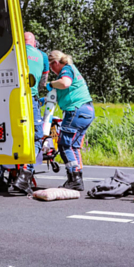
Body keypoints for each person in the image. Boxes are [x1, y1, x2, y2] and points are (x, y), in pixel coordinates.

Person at [47, 50, 95, 191]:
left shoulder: (66, 69)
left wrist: (50, 84)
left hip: (75, 110)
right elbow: (61, 93)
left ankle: (74, 178)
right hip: (87, 110)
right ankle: (77, 178)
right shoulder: (72, 69)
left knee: (64, 145)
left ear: (55, 63)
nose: (52, 71)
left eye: (51, 67)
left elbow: (65, 83)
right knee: (73, 146)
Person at [13, 32, 50, 194]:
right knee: (36, 136)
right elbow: (43, 81)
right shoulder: (42, 56)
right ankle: (24, 175)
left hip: (11, 99)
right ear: (34, 43)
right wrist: (36, 91)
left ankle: (1, 176)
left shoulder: (14, 51)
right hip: (30, 99)